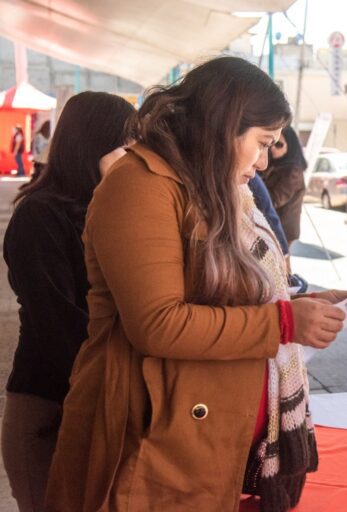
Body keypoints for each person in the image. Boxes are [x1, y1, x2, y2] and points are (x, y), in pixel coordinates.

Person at [45, 57, 347, 512]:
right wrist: (284, 322)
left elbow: (225, 295)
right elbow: (158, 324)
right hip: (149, 441)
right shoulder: (141, 185)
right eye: (262, 143)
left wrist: (305, 304)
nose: (264, 162)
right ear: (225, 127)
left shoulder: (213, 188)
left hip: (207, 439)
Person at [2, 92, 137, 512]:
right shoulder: (39, 215)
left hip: (101, 400)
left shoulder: (110, 208)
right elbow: (57, 322)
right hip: (49, 406)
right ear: (91, 144)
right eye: (126, 148)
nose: (134, 161)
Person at [261, 125, 307, 247]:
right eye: (271, 144)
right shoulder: (275, 164)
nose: (273, 148)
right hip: (272, 227)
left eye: (279, 144)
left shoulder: (293, 172)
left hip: (282, 230)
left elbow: (275, 199)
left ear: (290, 146)